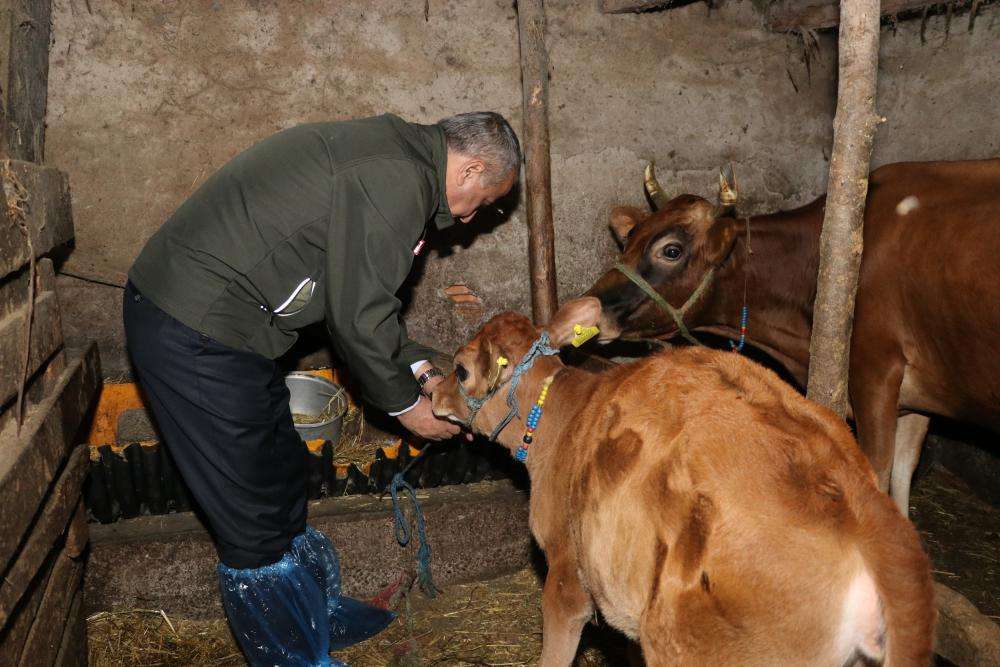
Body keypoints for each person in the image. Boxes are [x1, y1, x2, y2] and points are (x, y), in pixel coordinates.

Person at [122, 111, 521, 666]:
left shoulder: (399, 164)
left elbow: (367, 304)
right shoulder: (395, 181)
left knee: (281, 468)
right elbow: (357, 322)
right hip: (194, 328)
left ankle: (312, 613)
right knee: (250, 513)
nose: (472, 216)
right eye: (484, 201)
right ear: (471, 169)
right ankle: (292, 654)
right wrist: (410, 409)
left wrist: (427, 376)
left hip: (233, 333)